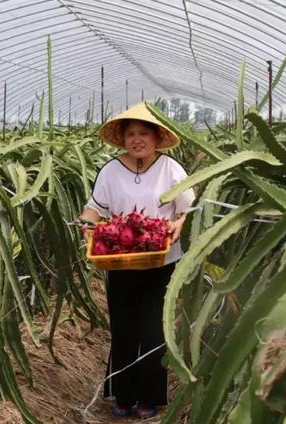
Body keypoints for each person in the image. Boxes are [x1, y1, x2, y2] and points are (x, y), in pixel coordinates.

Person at [77, 102, 196, 419]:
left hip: (162, 258)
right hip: (121, 259)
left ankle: (151, 397)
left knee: (153, 327)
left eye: (144, 133)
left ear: (157, 137)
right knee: (124, 326)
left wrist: (177, 226)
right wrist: (87, 222)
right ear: (123, 139)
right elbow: (95, 208)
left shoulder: (171, 170)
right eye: (131, 134)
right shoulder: (111, 171)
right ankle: (123, 395)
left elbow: (187, 209)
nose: (137, 139)